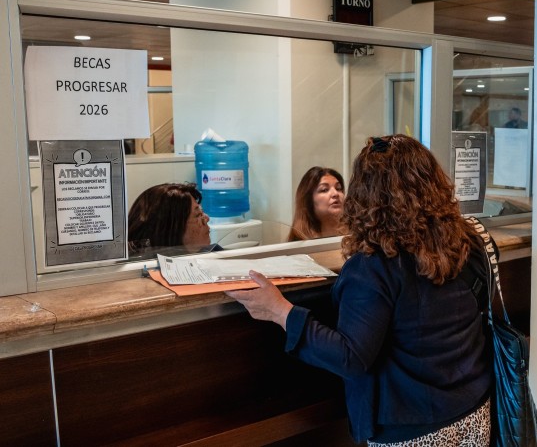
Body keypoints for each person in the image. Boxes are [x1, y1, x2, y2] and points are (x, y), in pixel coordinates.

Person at [227, 135, 493, 446]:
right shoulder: (468, 242)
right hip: (474, 409)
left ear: (366, 194)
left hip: (414, 427)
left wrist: (280, 311)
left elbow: (350, 357)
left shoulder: (374, 266)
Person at [128, 182, 212, 257]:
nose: (207, 218)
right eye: (198, 215)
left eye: (202, 212)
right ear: (170, 229)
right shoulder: (140, 267)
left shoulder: (211, 254)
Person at [287, 166, 346, 241]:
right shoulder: (300, 244)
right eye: (324, 190)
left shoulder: (354, 235)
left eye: (338, 188)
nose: (335, 194)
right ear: (309, 200)